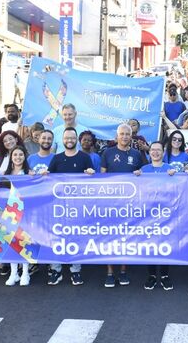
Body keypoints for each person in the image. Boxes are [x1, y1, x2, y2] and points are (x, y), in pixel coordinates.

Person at [45, 127, 94, 286]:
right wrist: (42, 175)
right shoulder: (57, 158)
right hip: (58, 206)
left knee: (76, 237)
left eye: (72, 138)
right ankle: (56, 270)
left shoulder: (85, 158)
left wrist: (91, 174)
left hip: (77, 206)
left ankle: (75, 270)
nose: (69, 140)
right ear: (62, 140)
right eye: (67, 138)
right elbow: (47, 181)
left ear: (76, 139)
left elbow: (92, 181)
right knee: (56, 236)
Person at [101, 123, 145, 287]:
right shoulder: (108, 152)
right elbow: (102, 177)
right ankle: (109, 272)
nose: (125, 137)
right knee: (109, 237)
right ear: (117, 136)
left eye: (127, 134)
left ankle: (123, 271)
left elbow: (144, 177)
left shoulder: (136, 154)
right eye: (122, 134)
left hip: (129, 203)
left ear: (131, 136)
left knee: (125, 237)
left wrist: (140, 174)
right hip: (110, 203)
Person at [139, 141, 176, 291]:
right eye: (152, 150)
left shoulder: (170, 169)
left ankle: (165, 275)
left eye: (158, 150)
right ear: (149, 152)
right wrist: (136, 177)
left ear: (163, 152)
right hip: (148, 213)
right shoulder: (144, 169)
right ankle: (152, 275)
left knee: (165, 244)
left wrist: (175, 176)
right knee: (151, 244)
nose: (155, 152)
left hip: (166, 213)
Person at [1, 146, 32, 286]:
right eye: (15, 155)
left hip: (25, 212)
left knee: (23, 242)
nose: (18, 157)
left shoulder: (29, 173)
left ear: (24, 157)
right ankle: (14, 273)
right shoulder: (5, 173)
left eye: (20, 154)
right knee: (11, 243)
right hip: (9, 212)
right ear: (11, 157)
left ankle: (25, 273)